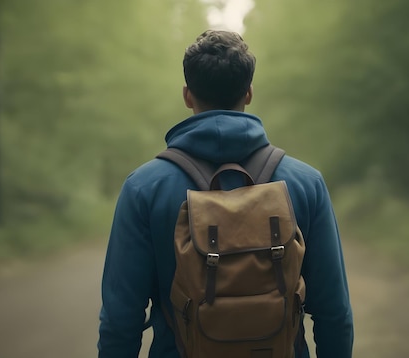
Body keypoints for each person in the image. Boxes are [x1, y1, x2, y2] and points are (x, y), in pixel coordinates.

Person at [98, 30, 354, 358]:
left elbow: (121, 320)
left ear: (188, 96)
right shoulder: (305, 183)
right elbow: (334, 312)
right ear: (248, 93)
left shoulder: (144, 187)